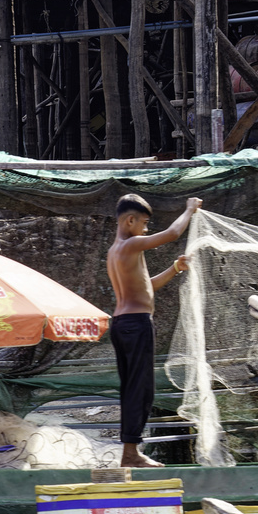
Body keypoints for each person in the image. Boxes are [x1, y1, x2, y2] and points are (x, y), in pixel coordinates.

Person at [107, 194, 200, 467]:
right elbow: (172, 233)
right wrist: (189, 209)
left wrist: (174, 268)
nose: (146, 230)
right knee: (140, 390)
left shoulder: (116, 251)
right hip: (136, 325)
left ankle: (130, 451)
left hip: (122, 324)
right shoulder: (132, 244)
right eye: (144, 223)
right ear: (130, 220)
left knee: (132, 388)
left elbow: (146, 286)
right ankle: (130, 454)